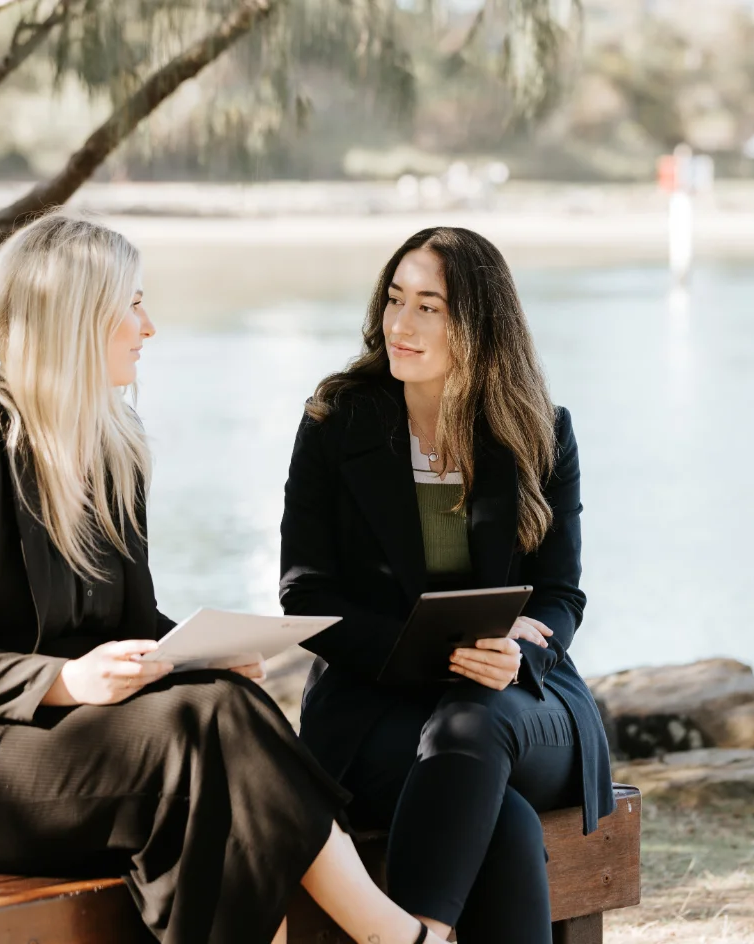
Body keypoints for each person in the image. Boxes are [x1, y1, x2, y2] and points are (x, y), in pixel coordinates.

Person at [0, 214, 444, 944]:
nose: (148, 326)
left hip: (82, 744)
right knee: (213, 724)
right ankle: (396, 936)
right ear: (77, 318)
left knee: (224, 700)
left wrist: (196, 651)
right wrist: (66, 682)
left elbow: (130, 619)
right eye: (131, 303)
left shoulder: (111, 447)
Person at [279, 226, 615, 944]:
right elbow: (305, 594)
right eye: (395, 300)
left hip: (520, 703)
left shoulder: (540, 431)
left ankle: (418, 933)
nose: (400, 324)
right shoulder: (336, 422)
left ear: (479, 320)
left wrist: (523, 655)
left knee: (474, 717)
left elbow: (560, 593)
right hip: (374, 709)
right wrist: (418, 654)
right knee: (505, 824)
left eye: (429, 307)